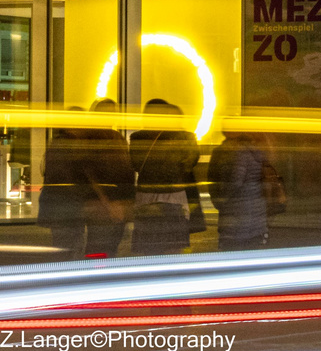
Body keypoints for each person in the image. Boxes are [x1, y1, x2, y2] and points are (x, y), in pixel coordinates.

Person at [129, 100, 199, 255]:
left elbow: (135, 164)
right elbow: (190, 162)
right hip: (173, 194)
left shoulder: (137, 137)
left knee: (147, 244)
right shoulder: (184, 137)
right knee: (173, 244)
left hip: (146, 194)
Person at [79, 99, 134, 257]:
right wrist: (108, 203)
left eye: (113, 112)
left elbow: (126, 171)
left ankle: (98, 276)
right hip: (101, 203)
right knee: (100, 246)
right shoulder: (92, 138)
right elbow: (90, 173)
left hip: (115, 201)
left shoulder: (117, 138)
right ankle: (95, 277)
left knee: (107, 246)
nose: (111, 116)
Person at [209, 132, 272, 252]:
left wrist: (221, 201)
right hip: (256, 208)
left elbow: (236, 181)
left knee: (232, 251)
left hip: (237, 211)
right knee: (252, 251)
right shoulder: (255, 150)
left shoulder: (237, 152)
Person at [36, 111, 87, 255]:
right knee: (71, 245)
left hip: (56, 203)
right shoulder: (72, 144)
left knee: (61, 245)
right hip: (68, 204)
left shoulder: (56, 142)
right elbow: (74, 175)